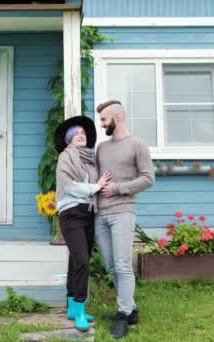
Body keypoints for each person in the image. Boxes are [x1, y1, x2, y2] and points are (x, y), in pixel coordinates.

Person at [94, 100, 155, 339]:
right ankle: (131, 309)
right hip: (100, 214)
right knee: (111, 267)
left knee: (122, 264)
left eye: (103, 119)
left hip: (122, 212)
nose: (101, 124)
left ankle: (122, 314)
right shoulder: (102, 148)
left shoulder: (137, 144)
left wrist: (118, 188)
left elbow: (148, 178)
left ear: (117, 117)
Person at [54, 116, 112, 332]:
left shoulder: (90, 159)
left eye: (84, 133)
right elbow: (69, 186)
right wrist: (95, 187)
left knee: (76, 261)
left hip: (88, 213)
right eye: (76, 133)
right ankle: (79, 309)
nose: (81, 135)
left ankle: (71, 306)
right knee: (82, 261)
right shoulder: (65, 157)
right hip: (71, 214)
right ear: (69, 139)